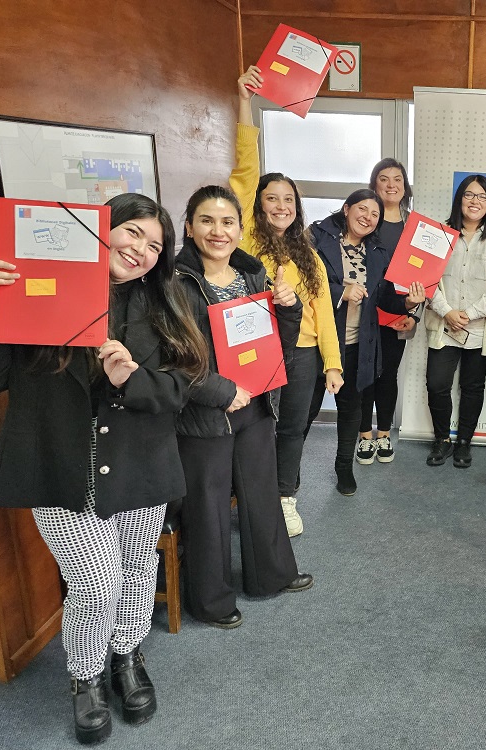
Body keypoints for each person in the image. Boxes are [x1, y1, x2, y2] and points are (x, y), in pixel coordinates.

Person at [0, 194, 209, 744]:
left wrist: (132, 380)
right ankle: (86, 677)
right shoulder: (33, 287)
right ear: (101, 228)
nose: (140, 250)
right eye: (130, 233)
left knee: (137, 567)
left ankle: (127, 657)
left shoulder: (165, 302)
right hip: (61, 464)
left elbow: (183, 387)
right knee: (96, 582)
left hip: (139, 464)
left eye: (153, 243)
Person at [175, 185, 313, 630]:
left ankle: (272, 575)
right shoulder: (175, 284)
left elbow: (276, 346)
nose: (219, 231)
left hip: (254, 404)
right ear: (190, 227)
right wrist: (219, 392)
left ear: (239, 228)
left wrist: (288, 312)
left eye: (227, 222)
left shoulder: (253, 275)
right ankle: (212, 601)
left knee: (260, 492)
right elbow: (172, 359)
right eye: (207, 221)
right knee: (209, 507)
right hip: (205, 411)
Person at [231, 65, 343, 538]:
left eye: (289, 201)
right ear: (258, 204)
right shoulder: (246, 241)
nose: (281, 206)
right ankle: (250, 497)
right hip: (254, 349)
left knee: (293, 428)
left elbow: (325, 316)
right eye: (272, 199)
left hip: (302, 353)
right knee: (254, 429)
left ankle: (285, 497)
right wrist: (244, 102)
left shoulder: (309, 254)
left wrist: (332, 365)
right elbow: (242, 172)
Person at [307, 189, 425, 495]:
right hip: (316, 341)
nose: (368, 218)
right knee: (305, 411)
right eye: (362, 209)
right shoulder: (318, 238)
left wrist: (409, 304)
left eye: (375, 214)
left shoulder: (377, 251)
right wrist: (340, 293)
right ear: (346, 209)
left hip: (358, 342)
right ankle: (286, 479)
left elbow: (384, 296)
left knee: (352, 409)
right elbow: (305, 283)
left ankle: (343, 467)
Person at [424, 174, 486, 468]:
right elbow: (427, 278)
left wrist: (470, 314)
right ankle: (442, 439)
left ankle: (464, 441)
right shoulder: (441, 233)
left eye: (482, 197)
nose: (475, 201)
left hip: (480, 328)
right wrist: (447, 311)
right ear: (459, 198)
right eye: (469, 195)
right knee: (437, 383)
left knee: (472, 386)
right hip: (444, 324)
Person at [356, 158, 417, 466]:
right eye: (384, 179)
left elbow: (426, 276)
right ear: (374, 184)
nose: (391, 185)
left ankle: (383, 434)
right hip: (364, 312)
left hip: (399, 313)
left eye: (397, 179)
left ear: (404, 186)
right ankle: (364, 434)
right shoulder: (366, 220)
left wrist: (414, 314)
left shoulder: (414, 226)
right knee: (365, 373)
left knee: (388, 375)